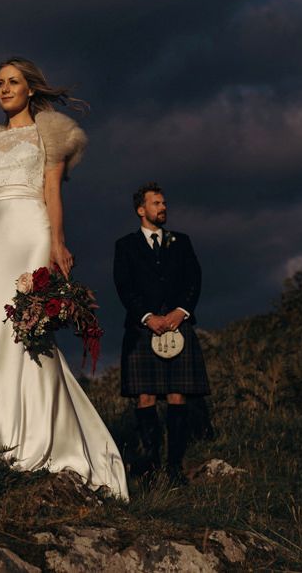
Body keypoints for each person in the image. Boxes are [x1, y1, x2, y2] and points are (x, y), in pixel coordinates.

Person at [0, 57, 128, 501]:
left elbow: (52, 193)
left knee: (30, 331)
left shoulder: (50, 134)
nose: (4, 89)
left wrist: (57, 243)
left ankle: (45, 439)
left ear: (30, 88)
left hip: (31, 232)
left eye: (12, 82)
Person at [113, 183, 210, 484]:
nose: (163, 207)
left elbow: (194, 278)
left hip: (178, 324)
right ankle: (152, 466)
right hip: (142, 328)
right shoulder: (125, 245)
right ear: (141, 210)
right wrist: (147, 317)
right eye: (156, 203)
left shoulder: (182, 241)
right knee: (145, 397)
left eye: (164, 203)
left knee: (177, 394)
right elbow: (124, 286)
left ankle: (175, 467)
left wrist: (181, 312)